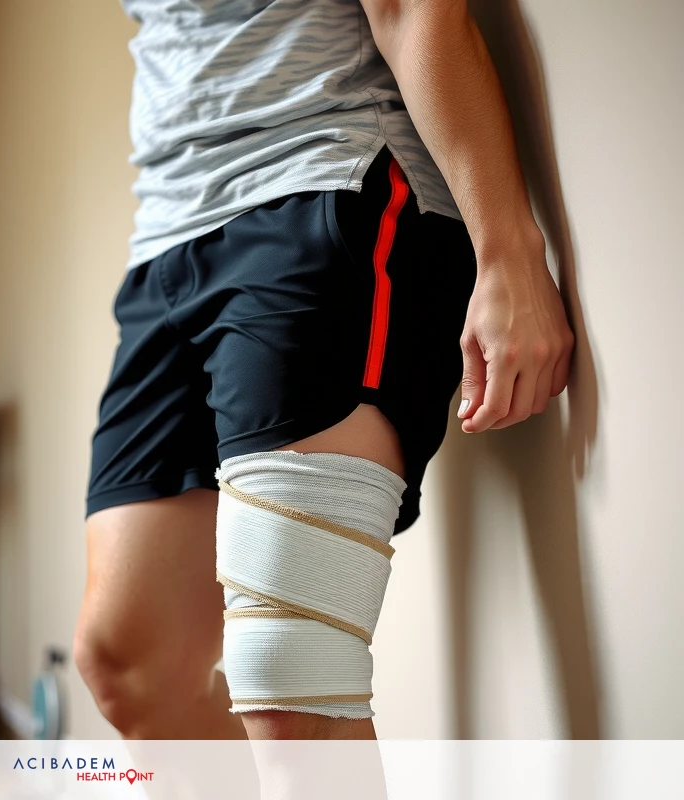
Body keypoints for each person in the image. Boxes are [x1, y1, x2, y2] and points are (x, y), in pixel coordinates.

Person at [75, 0, 575, 741]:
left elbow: (409, 11)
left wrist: (509, 250)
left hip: (320, 183)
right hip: (166, 235)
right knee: (129, 665)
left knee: (294, 681)